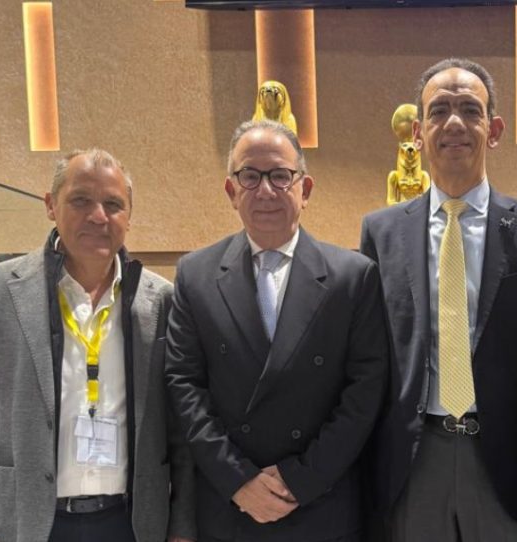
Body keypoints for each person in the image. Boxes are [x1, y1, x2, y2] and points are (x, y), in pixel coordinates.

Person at [0, 149, 196, 542]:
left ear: (129, 216)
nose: (98, 216)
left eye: (113, 204)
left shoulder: (160, 300)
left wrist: (181, 527)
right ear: (50, 206)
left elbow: (181, 431)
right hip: (30, 525)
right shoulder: (0, 290)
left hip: (132, 524)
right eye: (80, 200)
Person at [360, 58, 517, 541]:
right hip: (414, 462)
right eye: (439, 110)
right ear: (417, 133)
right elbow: (369, 359)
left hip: (506, 465)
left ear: (494, 130)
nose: (454, 122)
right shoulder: (381, 233)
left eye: (470, 110)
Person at [165, 119, 388, 542]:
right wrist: (238, 481)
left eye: (281, 176)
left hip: (321, 507)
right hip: (230, 509)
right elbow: (185, 387)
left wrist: (300, 480)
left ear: (305, 189)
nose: (265, 190)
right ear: (231, 191)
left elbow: (364, 392)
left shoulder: (353, 277)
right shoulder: (195, 275)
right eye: (249, 176)